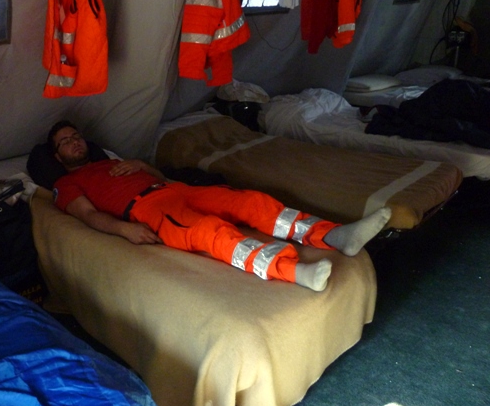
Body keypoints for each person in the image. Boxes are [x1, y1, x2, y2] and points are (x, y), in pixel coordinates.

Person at [48, 120, 391, 292]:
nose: (74, 142)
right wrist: (125, 230)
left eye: (76, 136)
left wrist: (140, 165)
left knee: (250, 201)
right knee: (209, 232)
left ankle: (333, 236)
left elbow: (160, 175)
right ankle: (292, 271)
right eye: (65, 142)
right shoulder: (65, 184)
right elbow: (88, 215)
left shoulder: (111, 161)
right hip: (148, 210)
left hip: (173, 188)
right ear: (57, 156)